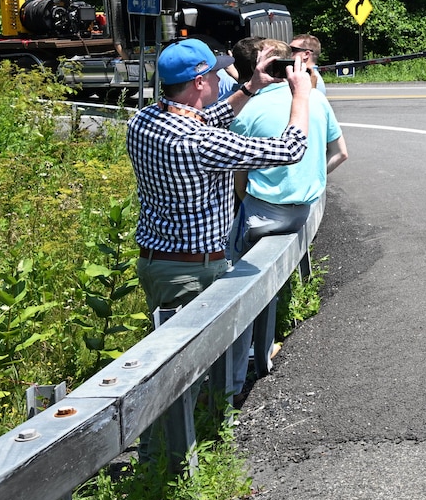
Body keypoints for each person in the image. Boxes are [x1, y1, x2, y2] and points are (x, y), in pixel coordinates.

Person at [126, 37, 314, 313]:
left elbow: (206, 117)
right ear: (199, 82)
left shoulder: (142, 121)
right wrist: (300, 94)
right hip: (192, 272)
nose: (222, 77)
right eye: (216, 73)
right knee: (199, 355)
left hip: (156, 263)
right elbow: (290, 149)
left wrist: (251, 87)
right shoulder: (201, 142)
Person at [229, 37, 347, 253]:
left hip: (262, 211)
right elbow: (341, 154)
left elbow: (240, 182)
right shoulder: (317, 98)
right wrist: (310, 176)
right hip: (304, 209)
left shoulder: (246, 112)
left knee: (236, 267)